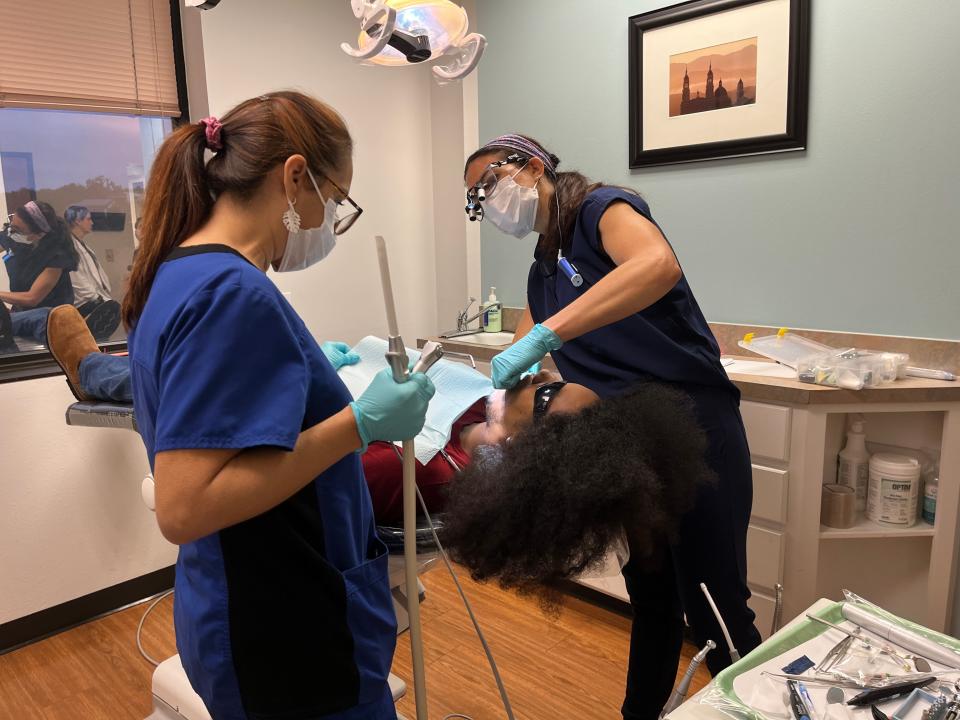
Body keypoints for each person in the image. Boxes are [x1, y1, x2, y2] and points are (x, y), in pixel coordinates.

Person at [120, 91, 435, 720]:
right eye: (335, 200)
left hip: (244, 606)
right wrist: (359, 424)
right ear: (294, 177)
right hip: (287, 624)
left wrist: (307, 365)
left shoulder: (179, 272)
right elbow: (184, 508)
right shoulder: (231, 292)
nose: (331, 222)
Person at [463, 134, 762, 720]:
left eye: (488, 184)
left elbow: (655, 266)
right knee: (652, 598)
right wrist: (499, 414)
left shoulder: (602, 210)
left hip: (697, 428)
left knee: (715, 608)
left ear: (529, 167)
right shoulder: (541, 273)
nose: (488, 202)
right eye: (477, 198)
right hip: (631, 443)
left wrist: (549, 334)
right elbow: (540, 363)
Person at [45, 303, 599, 524]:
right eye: (555, 376)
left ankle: (95, 370)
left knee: (187, 384)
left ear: (528, 452)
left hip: (258, 433)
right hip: (305, 398)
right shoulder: (479, 402)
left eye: (548, 396)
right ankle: (124, 360)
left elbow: (299, 472)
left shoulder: (425, 467)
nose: (541, 376)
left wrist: (343, 412)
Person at [0, 200, 78, 347]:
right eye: (11, 223)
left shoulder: (57, 255)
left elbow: (32, 298)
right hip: (22, 315)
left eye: (17, 229)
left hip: (49, 317)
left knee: (46, 317)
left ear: (37, 235)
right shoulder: (13, 238)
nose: (10, 231)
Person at [64, 205, 121, 340]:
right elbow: (75, 277)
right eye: (88, 219)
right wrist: (94, 297)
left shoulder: (82, 245)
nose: (92, 222)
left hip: (96, 299)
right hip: (86, 303)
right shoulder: (69, 246)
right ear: (77, 221)